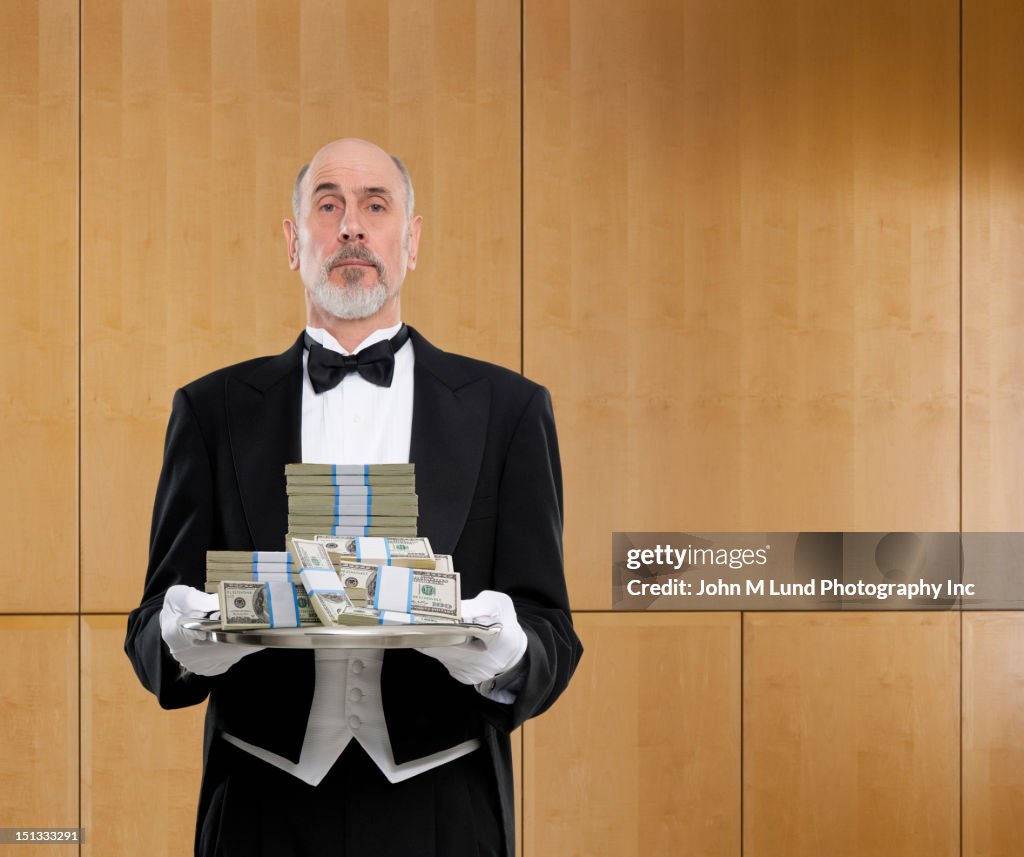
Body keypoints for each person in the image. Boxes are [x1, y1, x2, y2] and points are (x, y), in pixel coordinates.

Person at [124, 138, 582, 857]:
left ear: (413, 238)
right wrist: (184, 640)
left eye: (376, 205)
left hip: (444, 809)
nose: (351, 227)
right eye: (328, 205)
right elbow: (151, 633)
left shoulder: (509, 410)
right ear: (293, 240)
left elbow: (553, 637)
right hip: (257, 806)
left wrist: (501, 647)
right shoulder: (211, 410)